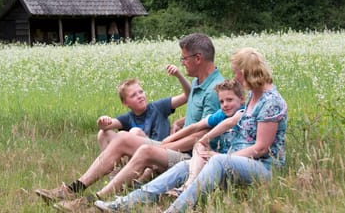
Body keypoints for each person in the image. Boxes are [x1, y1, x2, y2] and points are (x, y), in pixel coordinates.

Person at [36, 33, 224, 211]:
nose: (182, 63)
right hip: (178, 148)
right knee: (123, 137)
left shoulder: (213, 90)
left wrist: (168, 143)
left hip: (193, 158)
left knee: (144, 148)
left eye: (184, 59)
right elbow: (201, 119)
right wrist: (179, 123)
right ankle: (72, 190)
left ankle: (87, 202)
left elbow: (202, 137)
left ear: (198, 58)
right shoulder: (200, 83)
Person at [94, 47, 288, 213]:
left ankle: (176, 209)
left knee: (217, 160)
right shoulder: (254, 96)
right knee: (183, 166)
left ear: (248, 72)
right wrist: (205, 146)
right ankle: (123, 204)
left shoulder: (270, 102)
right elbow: (223, 124)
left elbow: (261, 149)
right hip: (235, 159)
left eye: (237, 72)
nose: (235, 77)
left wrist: (222, 157)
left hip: (263, 167)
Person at [164, 79, 245, 197]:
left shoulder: (244, 112)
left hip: (236, 161)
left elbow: (229, 123)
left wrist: (205, 138)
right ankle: (188, 184)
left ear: (242, 99)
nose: (225, 105)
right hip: (219, 157)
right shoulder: (221, 114)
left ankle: (188, 187)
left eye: (229, 100)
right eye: (221, 102)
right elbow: (196, 126)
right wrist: (168, 140)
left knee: (201, 144)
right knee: (199, 145)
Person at [97, 67, 191, 152]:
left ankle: (135, 168)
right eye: (133, 95)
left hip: (161, 150)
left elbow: (188, 96)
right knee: (103, 133)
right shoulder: (128, 118)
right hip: (140, 154)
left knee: (135, 132)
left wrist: (179, 75)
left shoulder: (159, 107)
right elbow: (106, 126)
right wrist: (103, 120)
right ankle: (114, 168)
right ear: (125, 103)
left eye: (141, 92)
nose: (140, 96)